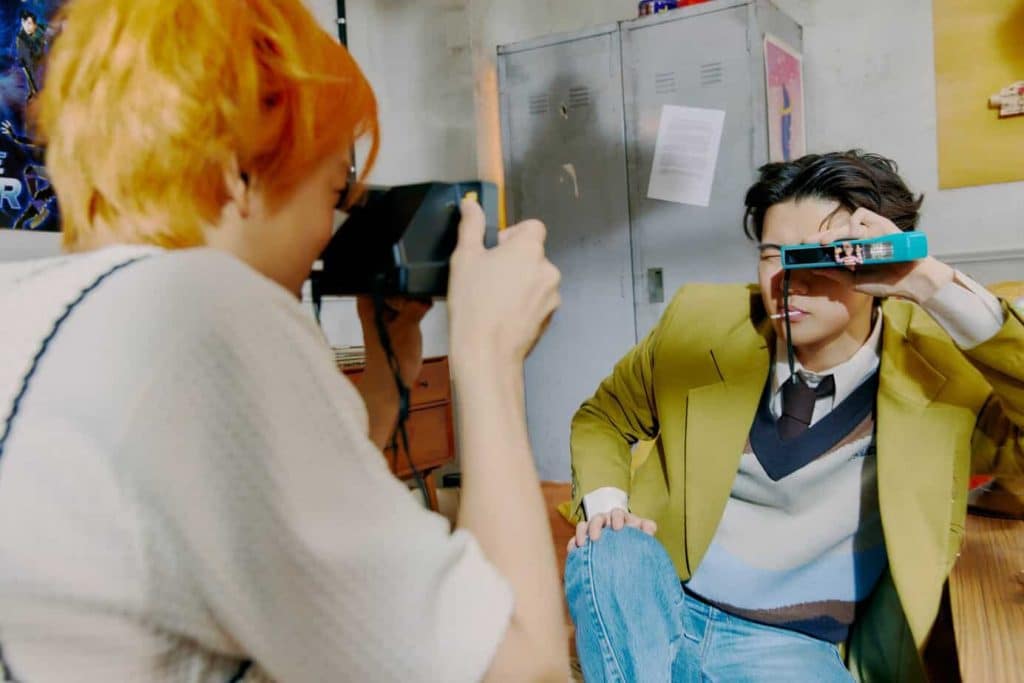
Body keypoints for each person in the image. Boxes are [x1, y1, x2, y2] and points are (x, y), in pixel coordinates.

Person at [0, 1, 567, 681]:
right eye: (332, 193)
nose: (328, 234)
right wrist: (489, 355)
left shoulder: (37, 305)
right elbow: (523, 669)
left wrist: (385, 378)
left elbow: (267, 526)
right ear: (238, 173)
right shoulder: (209, 311)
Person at [565, 151, 1024, 681]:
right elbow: (603, 417)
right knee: (609, 550)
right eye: (772, 256)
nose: (787, 279)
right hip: (661, 600)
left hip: (790, 645)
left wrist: (928, 283)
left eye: (816, 256)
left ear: (875, 260)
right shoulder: (699, 322)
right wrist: (609, 509)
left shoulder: (940, 372)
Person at [15, 10, 47, 99]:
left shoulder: (39, 30)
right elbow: (26, 59)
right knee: (31, 75)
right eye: (25, 23)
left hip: (40, 58)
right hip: (29, 61)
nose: (27, 26)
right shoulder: (21, 37)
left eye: (30, 23)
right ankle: (34, 92)